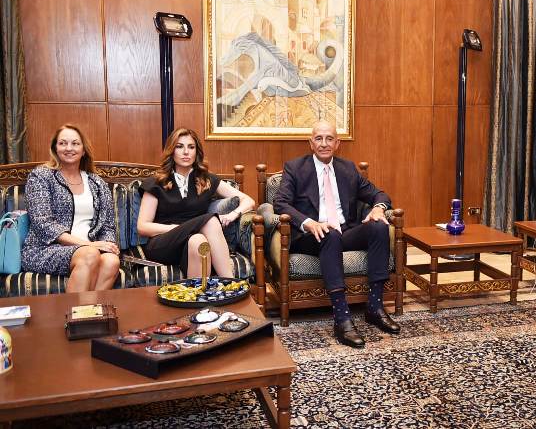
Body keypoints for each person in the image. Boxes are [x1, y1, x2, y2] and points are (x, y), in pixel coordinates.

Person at [273, 121, 400, 348]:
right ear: (311, 143)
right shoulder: (295, 168)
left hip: (344, 232)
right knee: (329, 234)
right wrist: (309, 223)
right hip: (311, 237)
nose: (324, 144)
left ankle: (375, 307)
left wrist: (379, 208)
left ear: (337, 143)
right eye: (319, 138)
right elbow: (280, 203)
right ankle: (342, 318)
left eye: (329, 139)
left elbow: (378, 194)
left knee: (379, 226)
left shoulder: (347, 169)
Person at [137, 128, 255, 278]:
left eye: (191, 147)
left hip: (192, 241)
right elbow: (142, 227)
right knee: (211, 221)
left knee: (199, 242)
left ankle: (199, 292)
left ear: (196, 152)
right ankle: (230, 282)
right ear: (172, 151)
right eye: (180, 147)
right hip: (163, 244)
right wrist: (179, 228)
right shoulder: (156, 182)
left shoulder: (206, 180)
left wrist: (232, 215)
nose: (186, 152)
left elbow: (249, 201)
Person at [22, 124, 120, 292]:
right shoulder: (41, 176)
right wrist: (89, 245)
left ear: (83, 150)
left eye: (75, 143)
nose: (69, 148)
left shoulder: (97, 183)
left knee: (111, 261)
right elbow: (43, 223)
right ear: (55, 148)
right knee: (89, 254)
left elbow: (107, 226)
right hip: (45, 249)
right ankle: (73, 309)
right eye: (63, 143)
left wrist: (108, 245)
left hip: (90, 249)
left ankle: (90, 309)